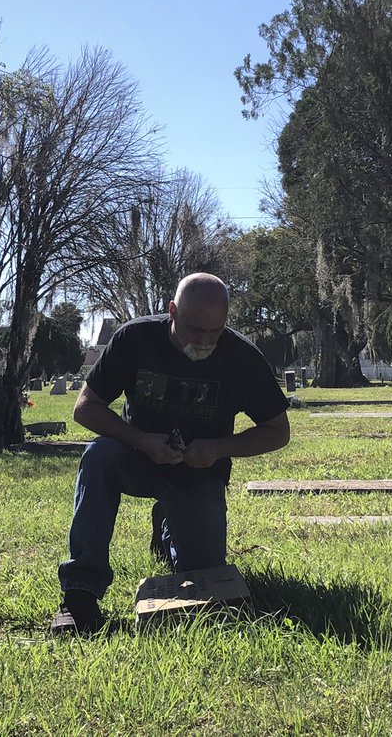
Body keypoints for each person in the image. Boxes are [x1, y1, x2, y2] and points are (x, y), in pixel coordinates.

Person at [52, 272, 291, 635]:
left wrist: (217, 448)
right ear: (172, 311)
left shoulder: (242, 357)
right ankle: (80, 595)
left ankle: (168, 526)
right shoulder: (135, 339)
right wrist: (142, 439)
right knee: (98, 456)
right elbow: (86, 408)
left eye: (215, 332)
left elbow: (278, 431)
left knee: (202, 574)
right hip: (136, 457)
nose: (205, 342)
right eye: (195, 330)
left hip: (200, 469)